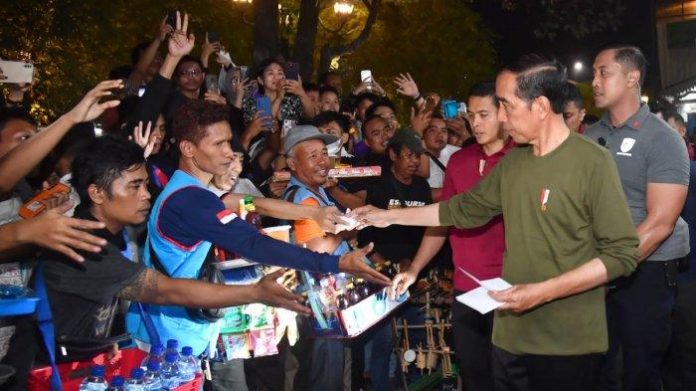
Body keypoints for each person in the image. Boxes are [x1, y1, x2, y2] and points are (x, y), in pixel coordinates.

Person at [352, 54, 639, 390]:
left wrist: (543, 292)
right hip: (509, 337)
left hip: (566, 343)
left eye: (506, 105)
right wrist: (385, 216)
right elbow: (460, 209)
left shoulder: (592, 162)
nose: (502, 117)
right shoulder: (515, 162)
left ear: (541, 106)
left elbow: (622, 254)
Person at [2, 136, 308, 391]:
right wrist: (254, 293)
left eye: (146, 185)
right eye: (134, 186)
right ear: (96, 192)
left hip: (77, 367)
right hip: (43, 374)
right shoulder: (85, 244)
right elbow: (164, 291)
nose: (146, 195)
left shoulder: (108, 232)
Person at [126, 99, 390, 358]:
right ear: (188, 148)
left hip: (180, 331)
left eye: (229, 141)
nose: (229, 152)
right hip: (165, 340)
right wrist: (337, 264)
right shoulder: (190, 200)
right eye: (218, 144)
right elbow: (254, 244)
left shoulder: (195, 191)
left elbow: (251, 203)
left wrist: (312, 213)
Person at [391, 81, 512, 391]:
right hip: (467, 288)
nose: (476, 122)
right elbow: (442, 221)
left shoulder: (522, 160)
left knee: (511, 376)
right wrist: (415, 269)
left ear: (504, 114)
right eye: (471, 115)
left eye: (484, 114)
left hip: (513, 289)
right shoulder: (460, 160)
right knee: (473, 375)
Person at [585, 45, 690, 391]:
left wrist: (607, 273)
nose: (595, 81)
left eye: (604, 72)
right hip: (598, 269)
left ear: (632, 78)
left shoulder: (661, 139)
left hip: (646, 270)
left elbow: (659, 224)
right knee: (600, 368)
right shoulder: (588, 138)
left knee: (640, 371)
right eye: (594, 73)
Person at [281, 125, 352, 391]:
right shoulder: (302, 199)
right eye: (312, 156)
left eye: (324, 153)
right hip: (319, 309)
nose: (323, 160)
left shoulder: (315, 193)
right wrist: (348, 230)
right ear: (291, 163)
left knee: (318, 375)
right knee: (324, 379)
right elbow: (319, 250)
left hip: (322, 305)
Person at [422, 116, 461, 200]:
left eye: (444, 131)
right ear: (423, 134)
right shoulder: (415, 158)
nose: (440, 135)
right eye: (433, 130)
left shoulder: (456, 153)